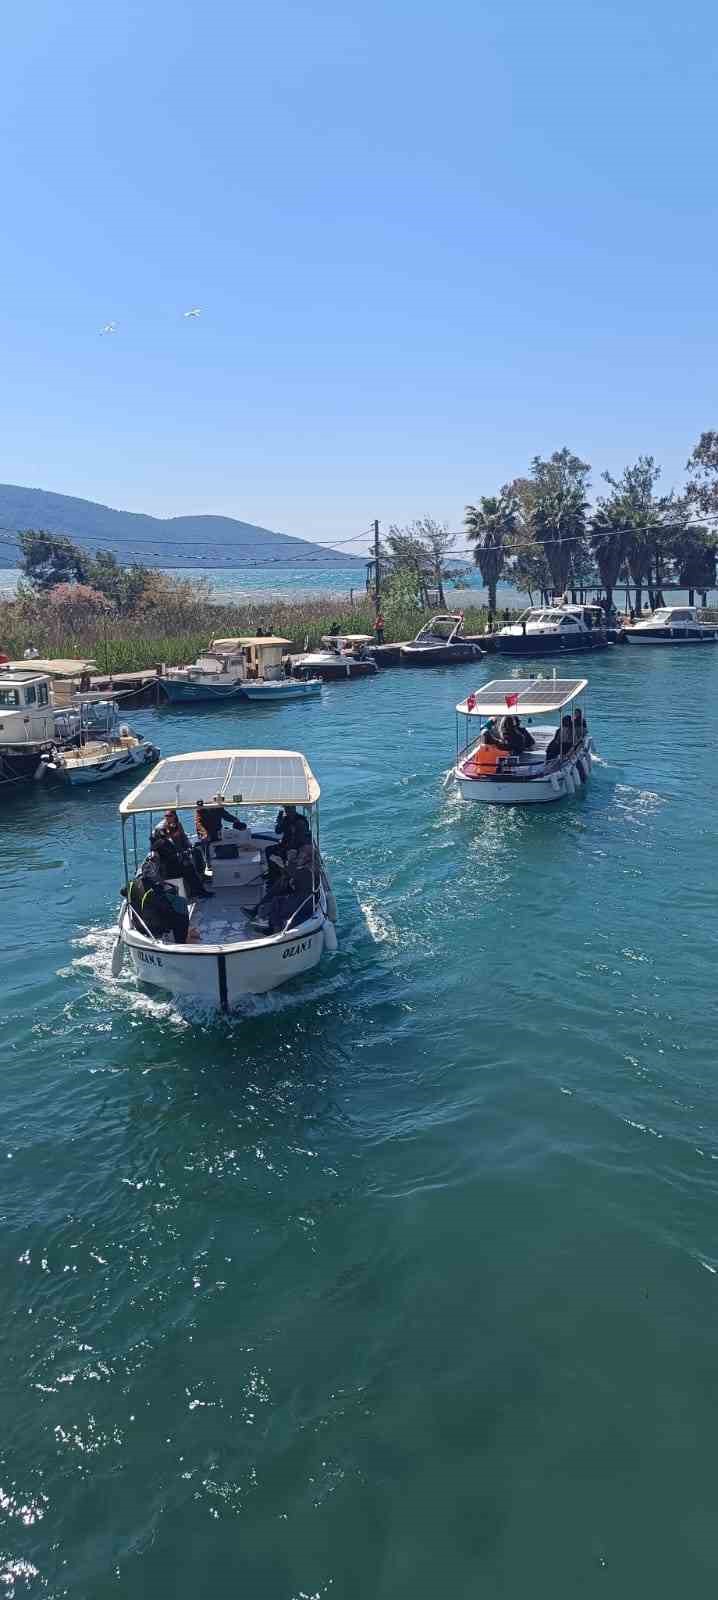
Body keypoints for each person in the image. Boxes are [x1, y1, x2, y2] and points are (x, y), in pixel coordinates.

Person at [125, 853, 191, 943]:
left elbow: (123, 891)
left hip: (137, 924)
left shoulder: (131, 883)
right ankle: (181, 941)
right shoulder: (154, 890)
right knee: (180, 910)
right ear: (154, 873)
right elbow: (166, 908)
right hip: (152, 927)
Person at [151, 809, 213, 898]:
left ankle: (202, 877)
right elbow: (165, 848)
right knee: (188, 869)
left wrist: (188, 847)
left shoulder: (178, 825)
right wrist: (179, 854)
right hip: (169, 861)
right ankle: (199, 891)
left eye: (170, 816)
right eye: (166, 816)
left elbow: (183, 838)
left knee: (197, 853)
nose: (167, 818)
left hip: (180, 854)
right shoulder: (162, 830)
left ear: (174, 816)